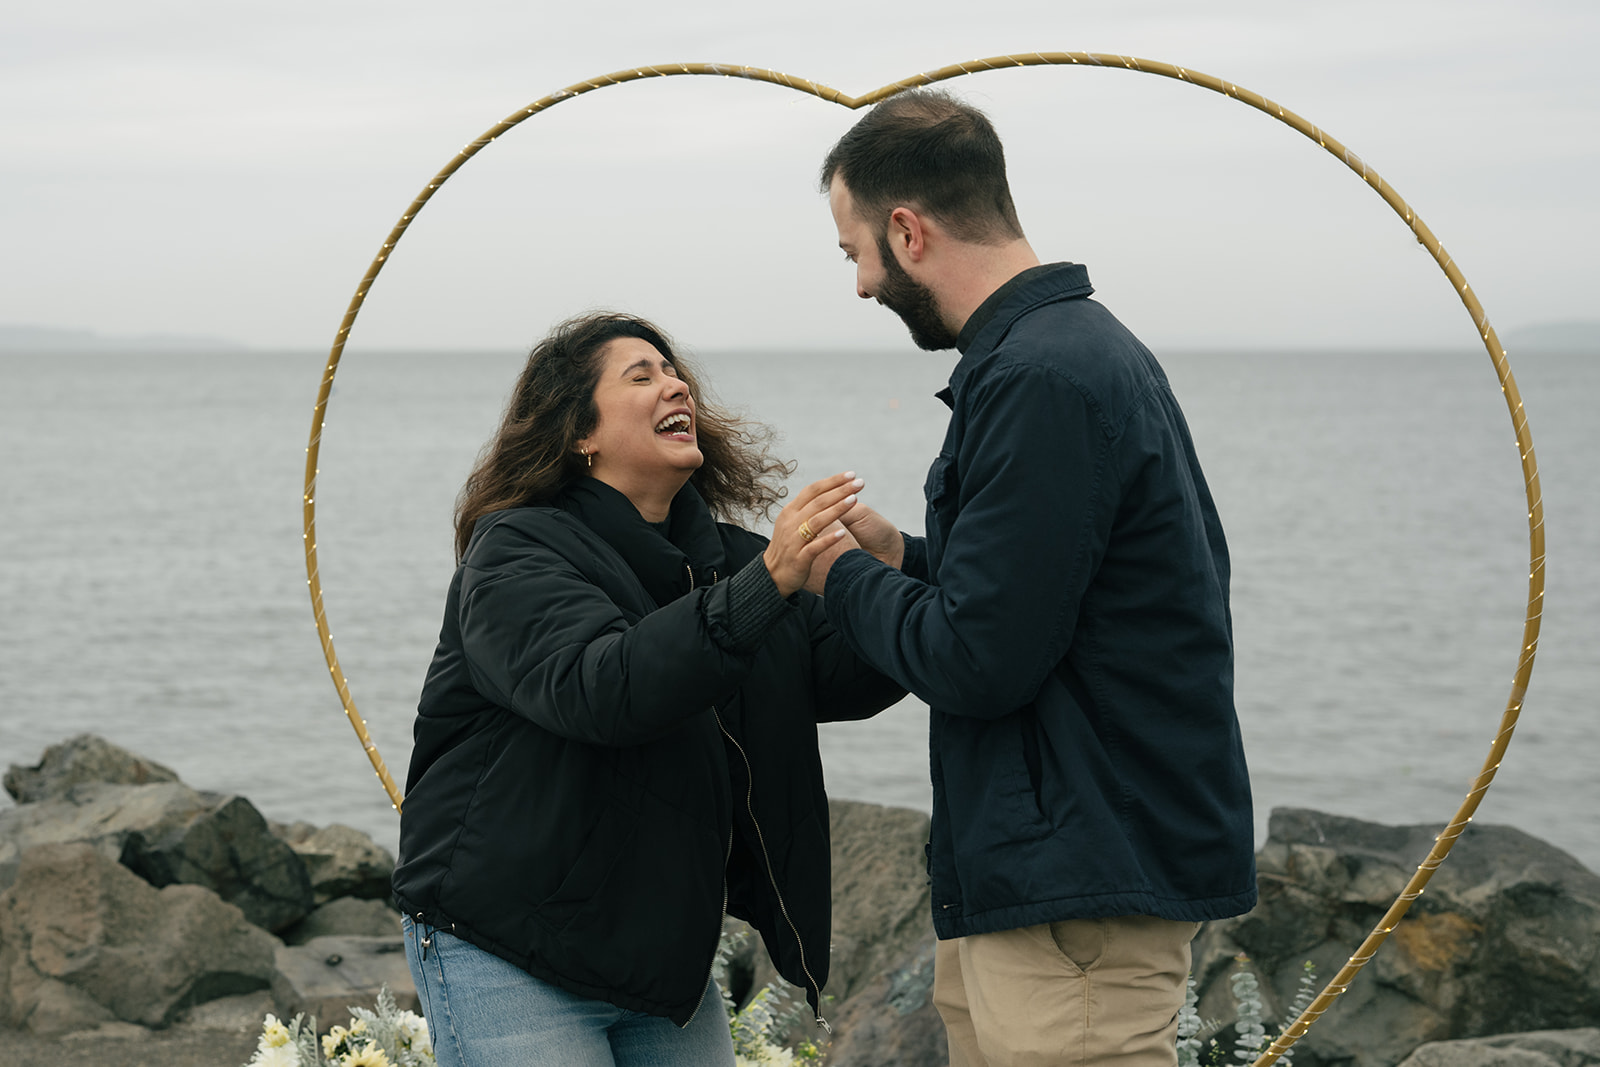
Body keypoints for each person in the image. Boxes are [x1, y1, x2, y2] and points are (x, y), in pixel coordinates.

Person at [807, 90, 1258, 1066]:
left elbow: (978, 657)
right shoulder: (1059, 353)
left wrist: (836, 572)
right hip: (1048, 879)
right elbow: (1048, 599)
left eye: (853, 253)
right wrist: (900, 559)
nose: (857, 284)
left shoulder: (1040, 376)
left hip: (1080, 890)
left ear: (905, 229)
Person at [391, 311, 904, 1067]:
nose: (675, 383)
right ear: (579, 433)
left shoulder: (730, 561)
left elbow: (844, 675)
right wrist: (765, 586)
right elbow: (604, 684)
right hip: (508, 940)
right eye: (642, 375)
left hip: (658, 955)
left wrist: (889, 568)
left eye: (674, 372)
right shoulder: (517, 550)